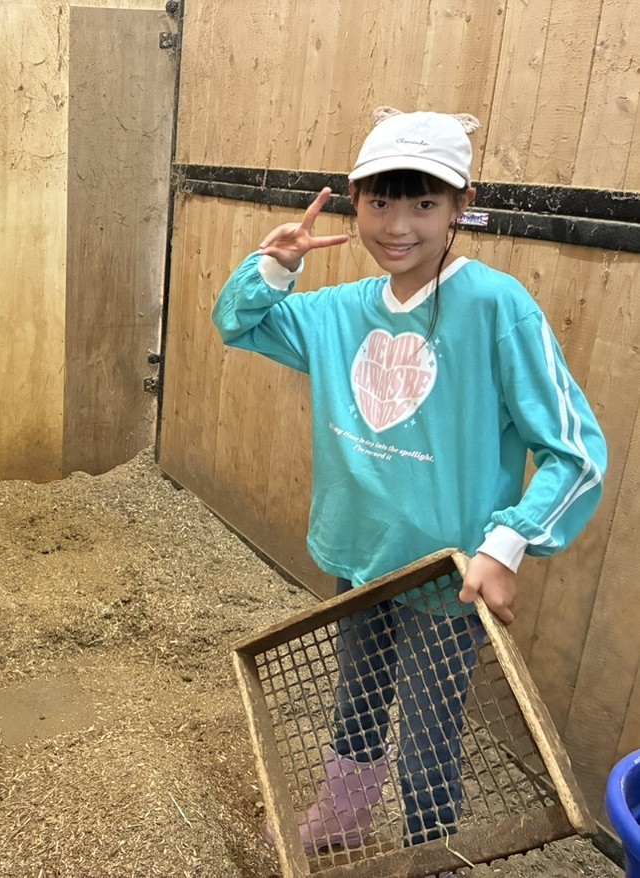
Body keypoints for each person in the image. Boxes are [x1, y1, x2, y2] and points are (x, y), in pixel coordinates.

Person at [212, 109, 607, 873]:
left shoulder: (496, 308)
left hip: (445, 578)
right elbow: (240, 324)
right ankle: (344, 811)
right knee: (356, 696)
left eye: (424, 203)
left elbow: (575, 452)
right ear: (355, 201)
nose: (398, 226)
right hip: (358, 555)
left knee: (430, 735)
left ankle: (433, 852)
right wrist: (275, 266)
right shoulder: (340, 311)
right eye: (380, 201)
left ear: (461, 205)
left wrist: (506, 544)